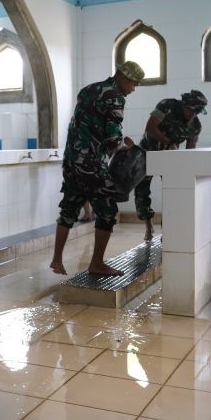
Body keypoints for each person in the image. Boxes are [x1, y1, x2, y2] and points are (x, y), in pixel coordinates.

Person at [50, 61, 144, 276]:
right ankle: (97, 263)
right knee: (108, 211)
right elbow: (112, 137)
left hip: (72, 160)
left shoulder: (89, 89)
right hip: (91, 163)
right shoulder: (115, 97)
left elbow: (85, 123)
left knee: (69, 208)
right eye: (133, 84)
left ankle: (57, 259)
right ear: (123, 77)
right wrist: (125, 146)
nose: (133, 89)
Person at [136, 90, 208, 240]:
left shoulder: (195, 125)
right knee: (142, 193)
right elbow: (150, 127)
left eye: (197, 112)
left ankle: (167, 229)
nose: (193, 115)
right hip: (147, 154)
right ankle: (149, 226)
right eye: (191, 110)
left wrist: (186, 169)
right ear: (184, 105)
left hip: (169, 159)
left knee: (172, 192)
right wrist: (169, 142)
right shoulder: (166, 105)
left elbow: (190, 150)